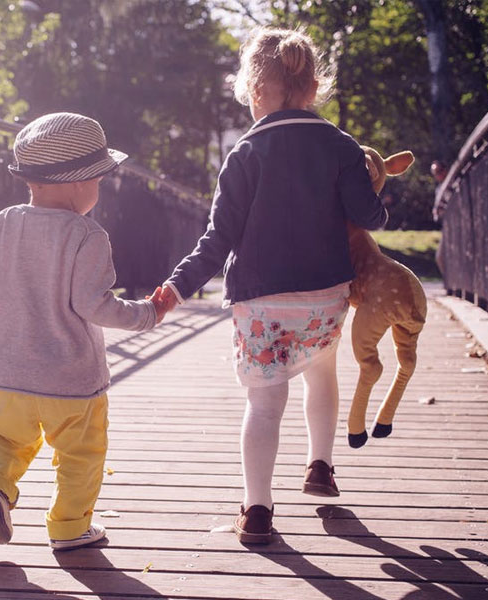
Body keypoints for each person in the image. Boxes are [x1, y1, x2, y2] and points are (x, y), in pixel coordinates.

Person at [154, 27, 388, 544]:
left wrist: (176, 287)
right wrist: (372, 176)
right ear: (312, 88)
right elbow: (370, 216)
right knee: (321, 370)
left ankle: (257, 510)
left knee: (264, 403)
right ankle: (320, 467)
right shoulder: (341, 145)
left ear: (258, 90)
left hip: (261, 301)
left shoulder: (245, 154)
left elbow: (217, 240)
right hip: (324, 295)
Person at [0, 112, 169, 551]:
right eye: (98, 179)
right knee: (80, 456)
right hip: (72, 382)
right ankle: (69, 527)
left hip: (6, 376)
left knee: (4, 440)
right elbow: (94, 306)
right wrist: (148, 314)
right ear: (81, 183)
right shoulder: (88, 235)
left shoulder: (0, 224)